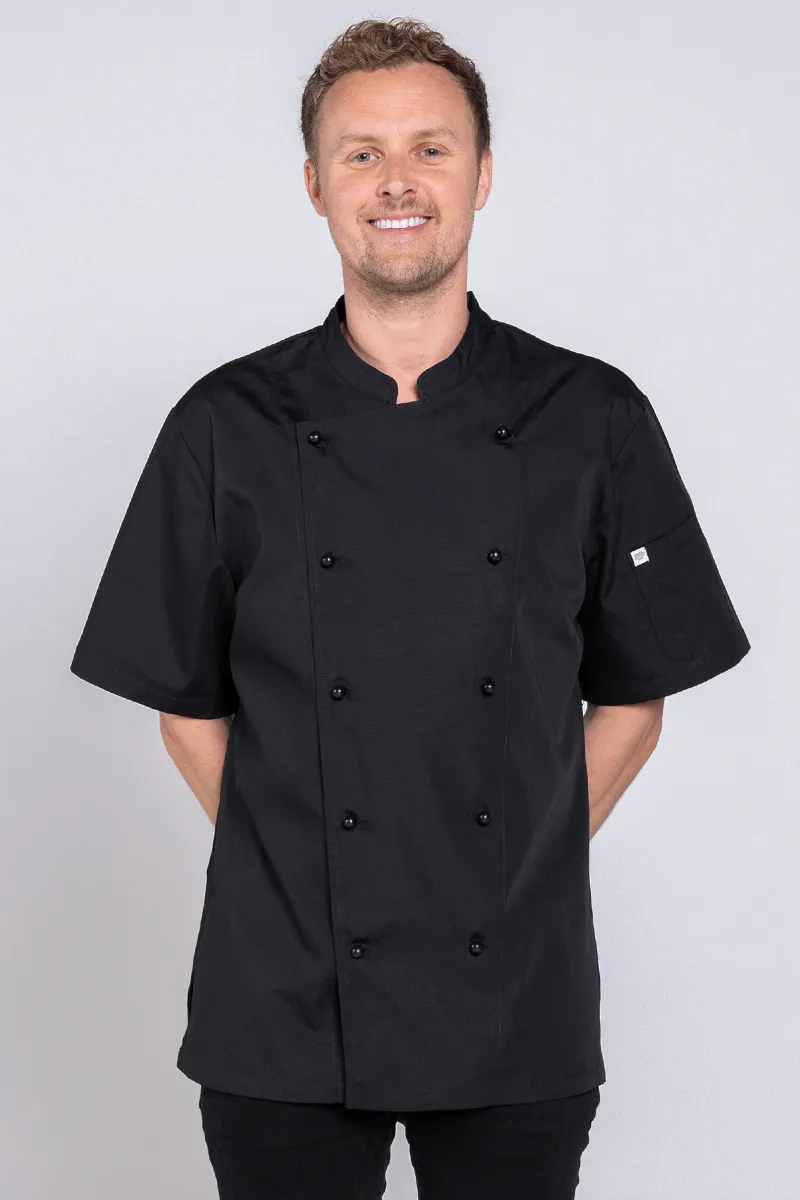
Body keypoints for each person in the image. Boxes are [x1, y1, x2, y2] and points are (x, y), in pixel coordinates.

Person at [69, 16, 751, 1200]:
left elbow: (632, 702)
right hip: (281, 1000)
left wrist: (509, 863)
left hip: (516, 998)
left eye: (430, 149)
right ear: (315, 185)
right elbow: (187, 712)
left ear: (480, 176)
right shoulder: (224, 425)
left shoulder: (590, 417)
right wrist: (308, 870)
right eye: (361, 153)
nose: (396, 181)